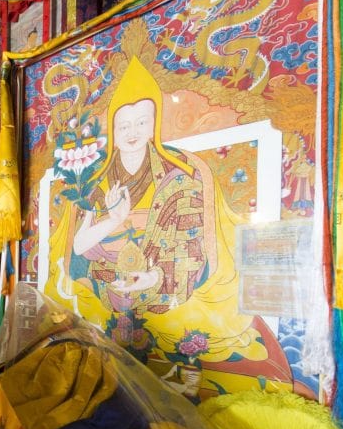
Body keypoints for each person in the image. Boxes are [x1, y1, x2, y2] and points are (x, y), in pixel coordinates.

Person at [48, 56, 291, 391]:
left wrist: (153, 277)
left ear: (154, 125)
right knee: (70, 313)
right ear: (113, 132)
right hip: (105, 283)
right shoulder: (95, 183)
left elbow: (191, 248)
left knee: (200, 322)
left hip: (164, 286)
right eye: (124, 125)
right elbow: (78, 247)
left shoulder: (180, 179)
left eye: (141, 123)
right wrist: (114, 220)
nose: (132, 133)